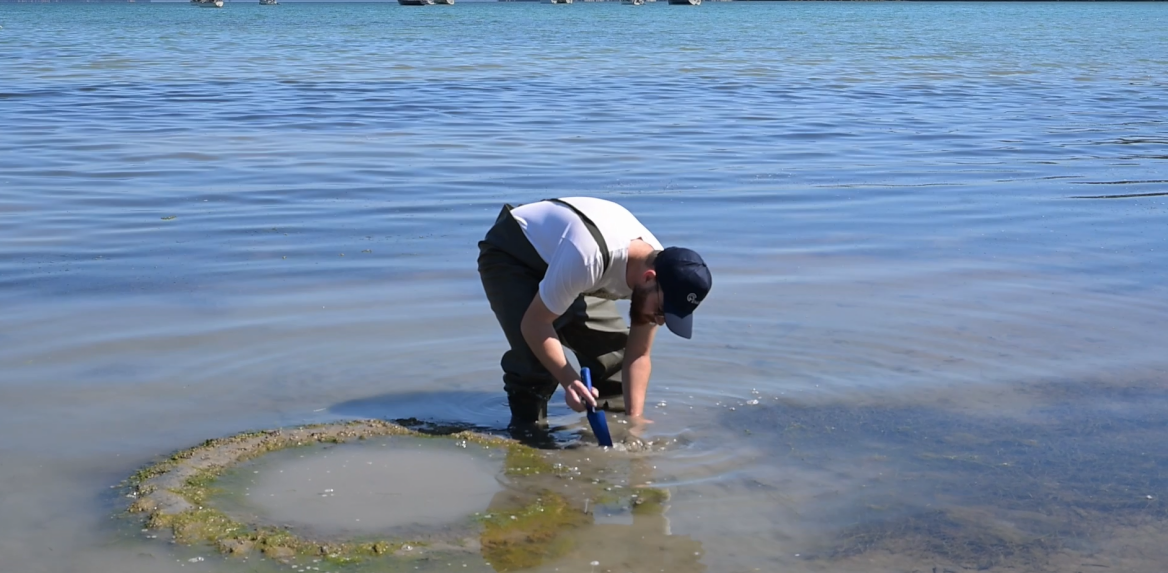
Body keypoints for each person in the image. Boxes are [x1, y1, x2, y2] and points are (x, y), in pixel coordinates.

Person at [477, 197, 712, 429]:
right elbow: (535, 324)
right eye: (661, 311)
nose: (659, 320)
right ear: (648, 278)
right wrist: (570, 381)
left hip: (570, 264)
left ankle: (608, 433)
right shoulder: (588, 258)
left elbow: (638, 354)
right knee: (538, 363)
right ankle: (528, 435)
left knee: (613, 354)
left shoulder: (660, 274)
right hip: (515, 252)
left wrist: (635, 422)